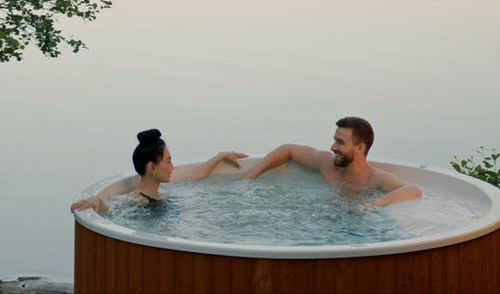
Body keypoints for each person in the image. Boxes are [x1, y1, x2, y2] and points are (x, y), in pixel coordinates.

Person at [243, 116, 422, 208]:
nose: (333, 147)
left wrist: (373, 205)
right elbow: (288, 149)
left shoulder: (375, 179)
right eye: (335, 140)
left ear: (360, 148)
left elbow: (414, 190)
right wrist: (251, 175)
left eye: (340, 142)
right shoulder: (327, 165)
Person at [71, 128, 247, 213]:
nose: (172, 167)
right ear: (152, 167)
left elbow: (194, 176)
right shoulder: (138, 198)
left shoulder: (163, 190)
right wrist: (97, 201)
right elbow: (115, 207)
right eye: (168, 161)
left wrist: (221, 156)